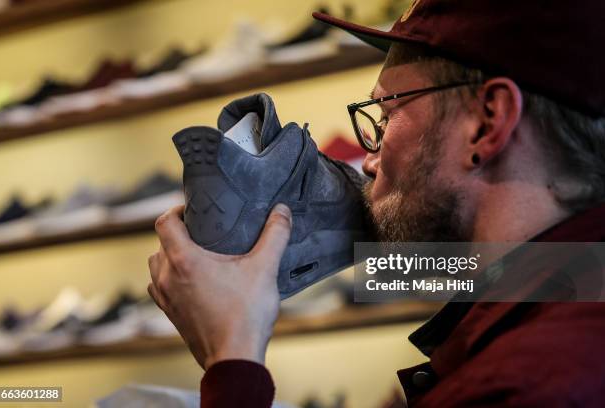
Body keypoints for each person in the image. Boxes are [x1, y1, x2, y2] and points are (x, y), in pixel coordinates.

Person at [147, 1, 605, 406]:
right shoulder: (562, 297)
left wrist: (232, 357)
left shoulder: (534, 379)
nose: (367, 161)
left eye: (386, 114)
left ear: (487, 124)